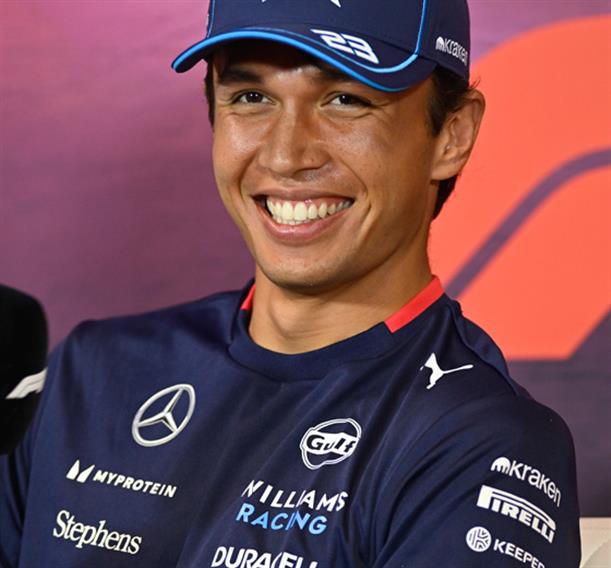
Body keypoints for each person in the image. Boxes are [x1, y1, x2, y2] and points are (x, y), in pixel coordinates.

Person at [0, 1, 581, 566]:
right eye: (251, 98)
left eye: (346, 99)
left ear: (452, 135)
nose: (285, 156)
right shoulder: (92, 370)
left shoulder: (482, 442)